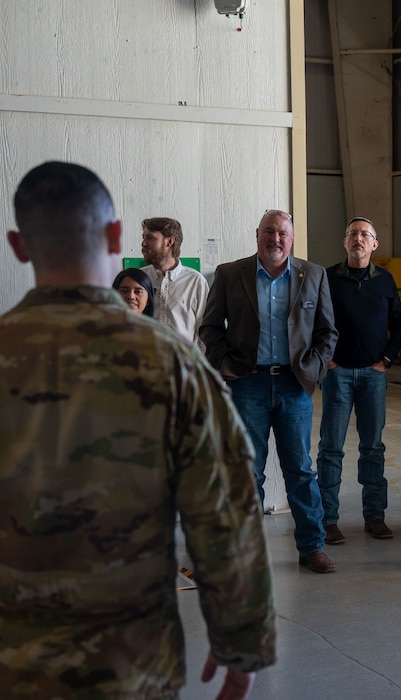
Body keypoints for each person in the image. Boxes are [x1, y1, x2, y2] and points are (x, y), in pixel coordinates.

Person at [0, 161, 275, 698]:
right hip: (132, 664)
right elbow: (225, 509)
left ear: (18, 245)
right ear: (115, 237)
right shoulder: (173, 364)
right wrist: (240, 640)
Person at [199, 208, 338, 573]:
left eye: (283, 234)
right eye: (269, 232)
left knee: (301, 470)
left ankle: (312, 548)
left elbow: (327, 333)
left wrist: (315, 368)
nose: (275, 239)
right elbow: (210, 327)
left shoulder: (314, 275)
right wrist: (226, 368)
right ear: (257, 234)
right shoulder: (230, 274)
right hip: (248, 385)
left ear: (291, 240)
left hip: (295, 386)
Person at [316, 216, 401, 543]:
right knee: (331, 449)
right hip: (337, 374)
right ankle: (327, 520)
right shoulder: (327, 277)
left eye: (365, 234)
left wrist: (386, 360)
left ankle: (375, 517)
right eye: (353, 233)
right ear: (345, 241)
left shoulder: (384, 280)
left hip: (373, 375)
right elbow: (313, 320)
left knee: (373, 447)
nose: (358, 238)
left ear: (374, 244)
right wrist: (326, 359)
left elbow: (399, 324)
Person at [140, 216, 210, 344]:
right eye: (143, 238)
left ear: (170, 241)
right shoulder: (139, 278)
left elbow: (205, 332)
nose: (143, 243)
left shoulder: (195, 281)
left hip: (184, 362)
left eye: (150, 238)